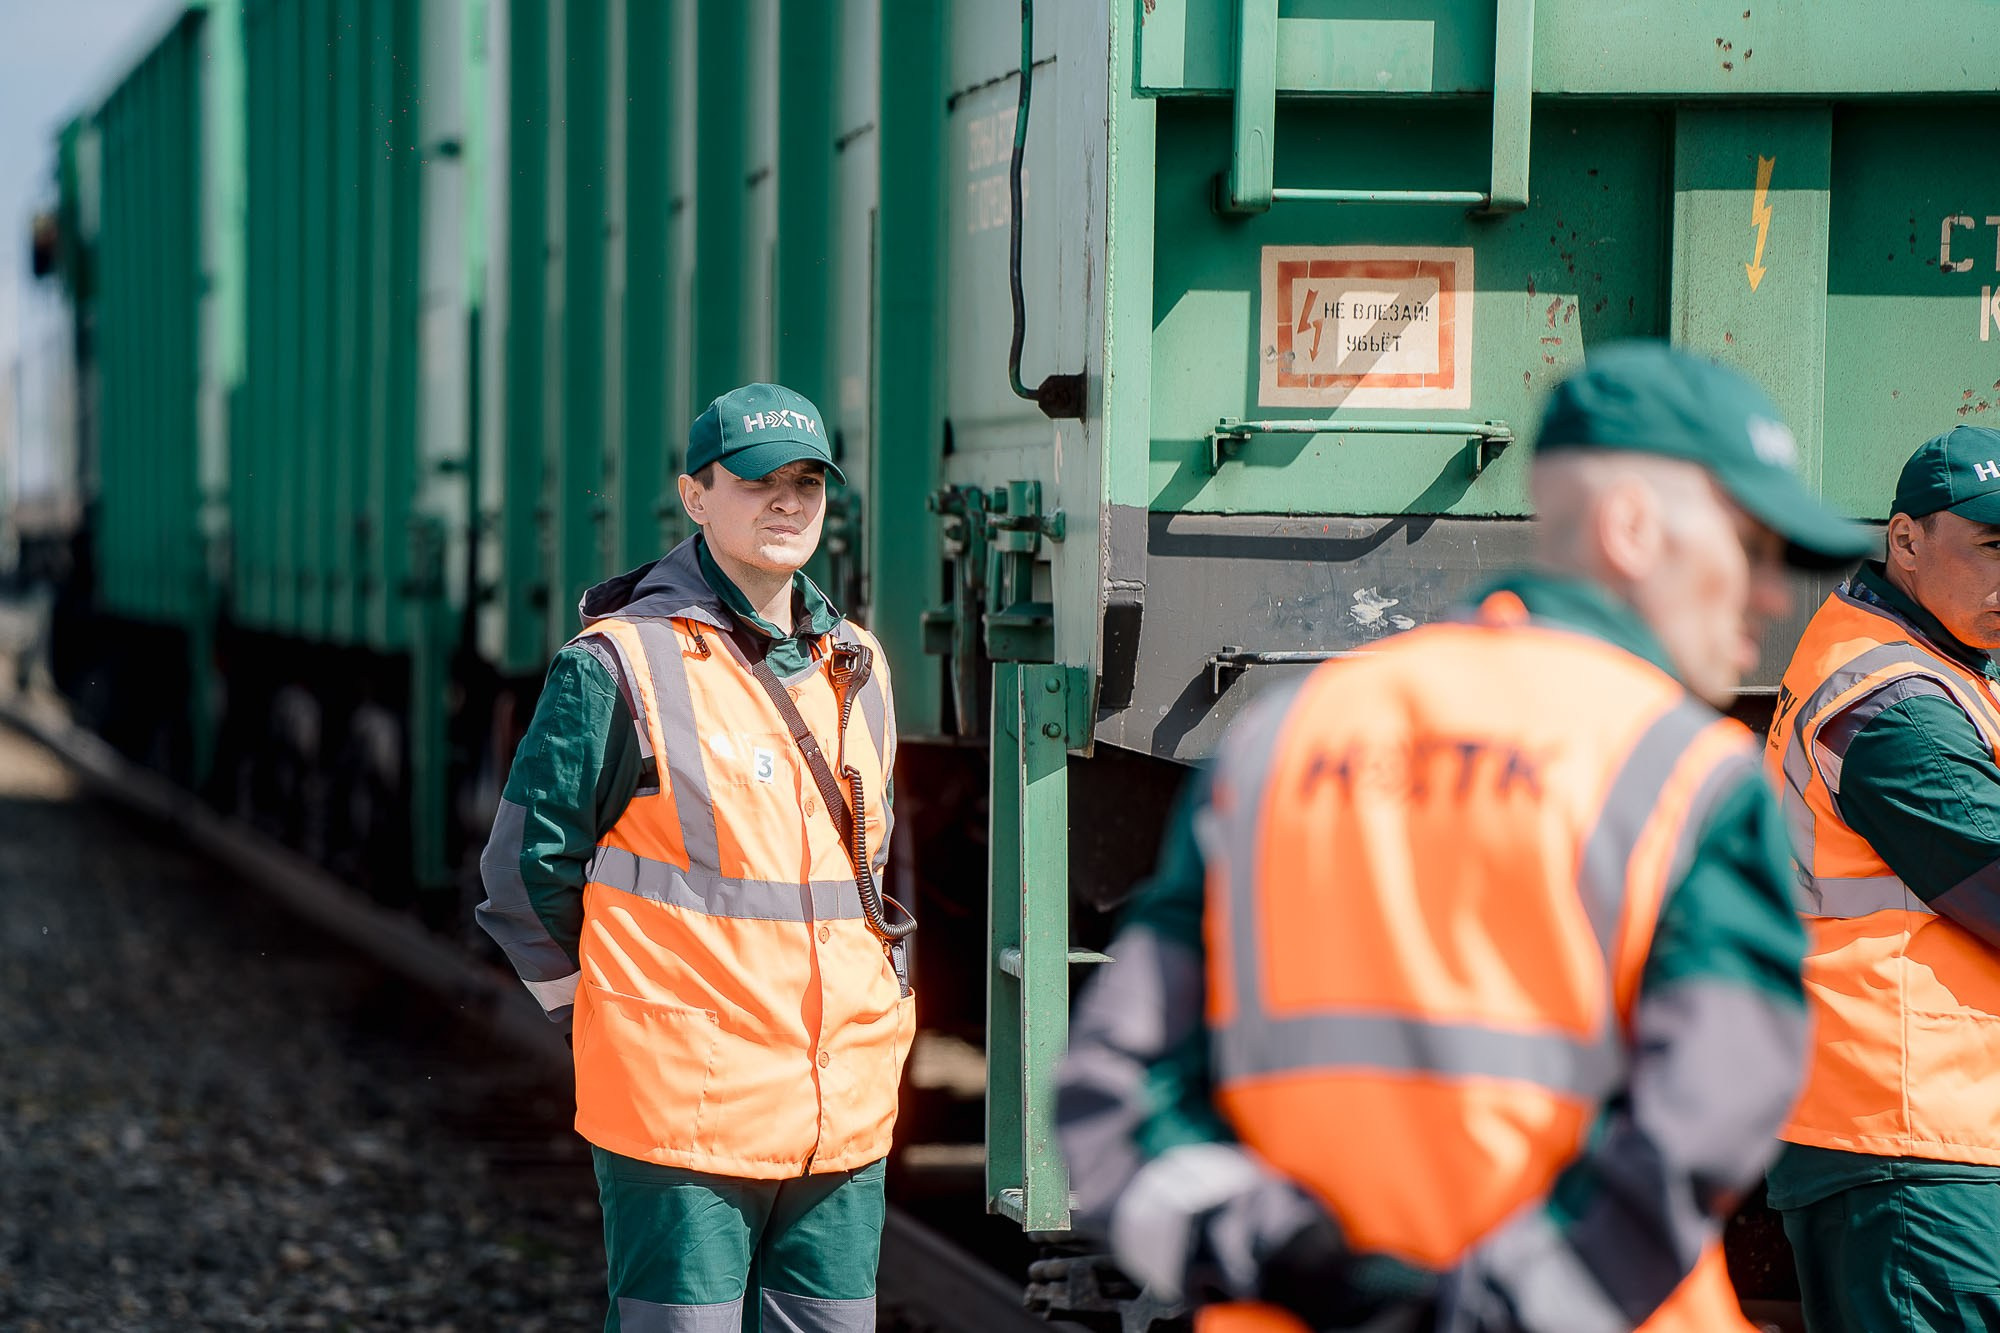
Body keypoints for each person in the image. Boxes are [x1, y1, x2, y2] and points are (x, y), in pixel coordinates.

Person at [1054, 343, 1875, 1333]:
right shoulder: (1682, 775)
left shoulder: (1285, 739)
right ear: (1629, 527)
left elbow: (1111, 1089)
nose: (1771, 596)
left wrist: (1295, 1262)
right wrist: (1501, 1308)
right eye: (1748, 549)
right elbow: (1713, 1105)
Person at [476, 383, 912, 1333]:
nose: (788, 503)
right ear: (695, 496)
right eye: (758, 481)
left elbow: (875, 879)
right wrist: (603, 1021)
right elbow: (521, 876)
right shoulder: (615, 664)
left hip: (839, 1110)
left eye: (808, 481)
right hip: (686, 1110)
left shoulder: (859, 667)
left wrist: (889, 992)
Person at [1763, 424, 2000, 1331]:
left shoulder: (1935, 671)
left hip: (1908, 1131)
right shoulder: (1888, 699)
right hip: (1906, 1141)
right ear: (1906, 540)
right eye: (1991, 546)